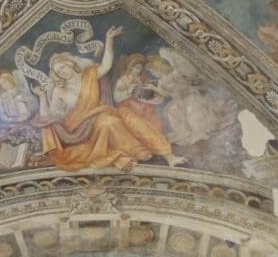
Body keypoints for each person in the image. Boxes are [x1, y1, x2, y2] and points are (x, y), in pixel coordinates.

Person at [30, 27, 186, 171]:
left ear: (70, 64)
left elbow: (106, 65)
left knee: (127, 115)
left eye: (63, 67)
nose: (62, 71)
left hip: (100, 113)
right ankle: (136, 152)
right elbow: (50, 116)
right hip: (78, 128)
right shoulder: (59, 90)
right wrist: (42, 97)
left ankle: (168, 155)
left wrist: (109, 39)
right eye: (58, 71)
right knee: (109, 122)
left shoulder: (89, 74)